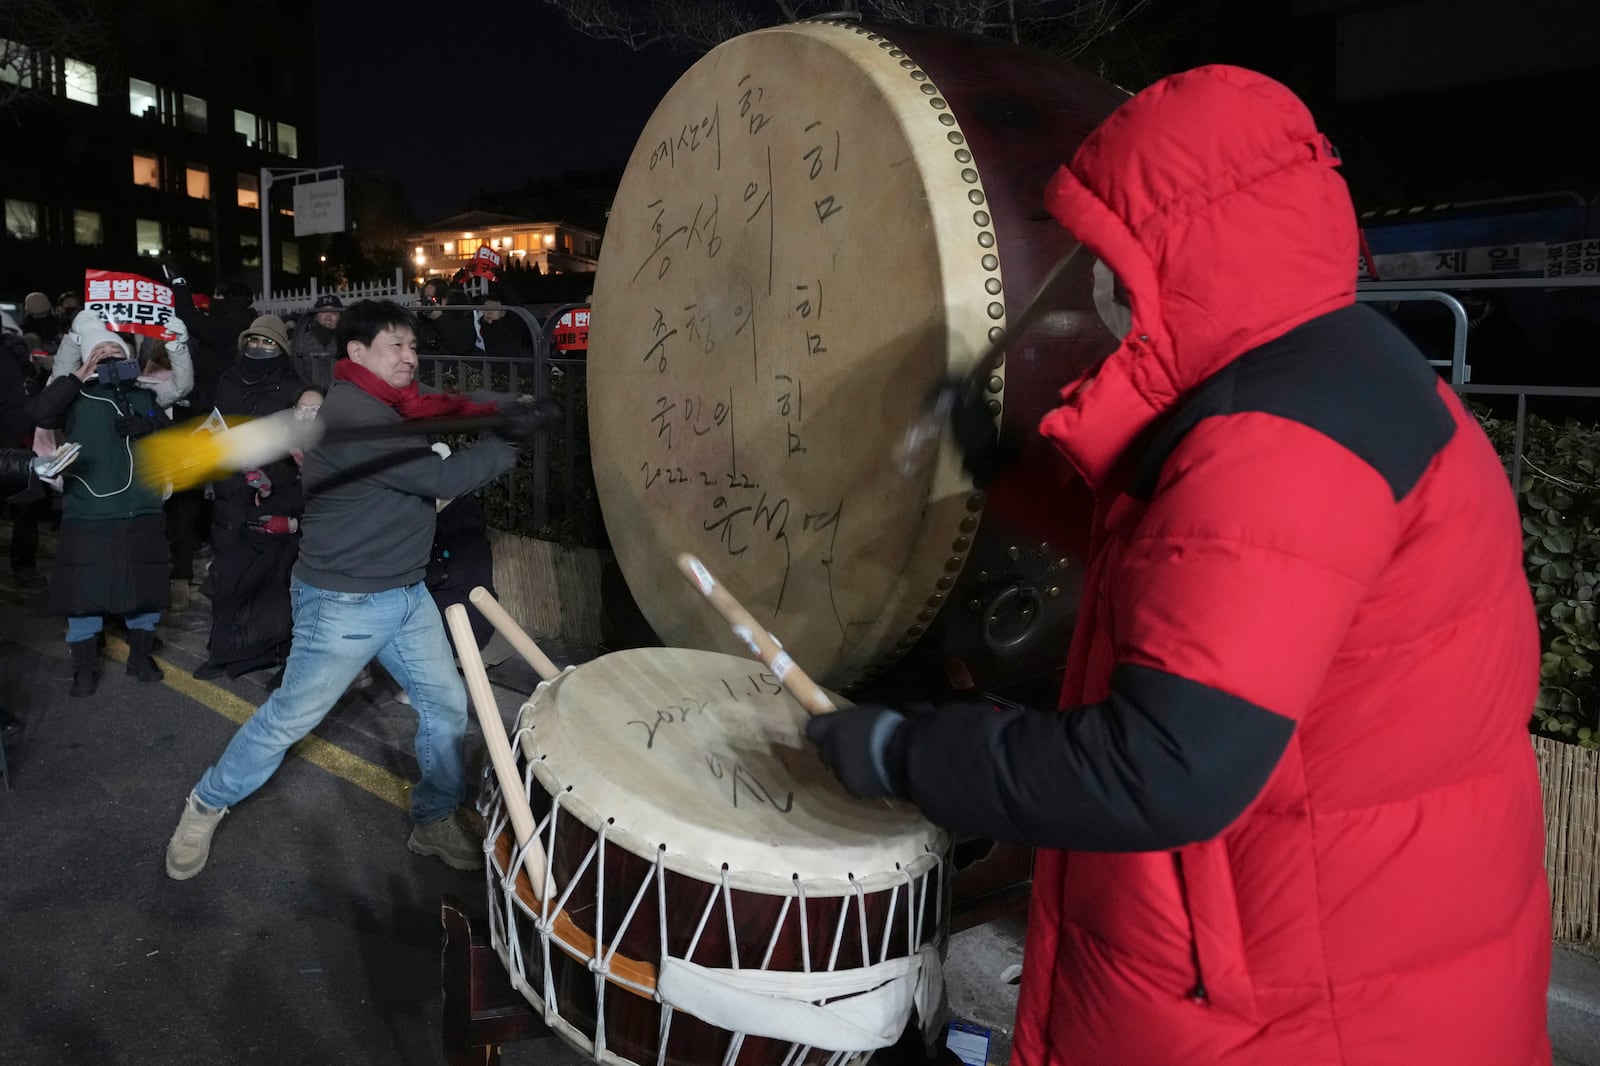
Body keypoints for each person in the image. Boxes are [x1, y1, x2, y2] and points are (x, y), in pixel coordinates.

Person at [803, 66, 1549, 1064]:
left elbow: (1160, 767)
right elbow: (1194, 557)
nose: (1098, 288)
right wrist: (1004, 471)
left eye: (1112, 256)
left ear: (1188, 249)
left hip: (1296, 1007)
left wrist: (904, 754)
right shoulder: (1331, 366)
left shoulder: (1278, 445)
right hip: (1357, 946)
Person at [164, 298, 553, 881]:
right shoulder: (350, 418)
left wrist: (511, 406)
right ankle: (205, 804)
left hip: (405, 595)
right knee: (288, 720)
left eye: (413, 345)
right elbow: (445, 476)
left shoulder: (391, 403)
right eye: (395, 346)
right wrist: (510, 444)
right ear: (357, 353)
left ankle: (433, 817)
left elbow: (448, 406)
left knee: (445, 705)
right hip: (342, 605)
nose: (409, 356)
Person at [30, 309, 194, 695]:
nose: (107, 354)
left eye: (113, 349)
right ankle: (84, 667)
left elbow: (177, 405)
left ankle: (140, 657)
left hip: (142, 506)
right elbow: (40, 411)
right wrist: (78, 360)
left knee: (144, 583)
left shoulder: (143, 390)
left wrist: (150, 422)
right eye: (99, 350)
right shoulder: (70, 393)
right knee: (83, 590)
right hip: (90, 509)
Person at [191, 314, 308, 684]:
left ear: (282, 349)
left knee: (275, 580)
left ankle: (279, 656)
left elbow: (304, 439)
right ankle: (223, 652)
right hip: (230, 492)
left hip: (273, 492)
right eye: (253, 341)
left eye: (268, 343)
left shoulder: (293, 388)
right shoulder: (228, 379)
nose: (259, 348)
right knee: (228, 576)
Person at [291, 293, 343, 389]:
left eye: (333, 313)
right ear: (316, 316)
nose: (328, 317)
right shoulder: (301, 342)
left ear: (340, 317)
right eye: (323, 312)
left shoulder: (347, 342)